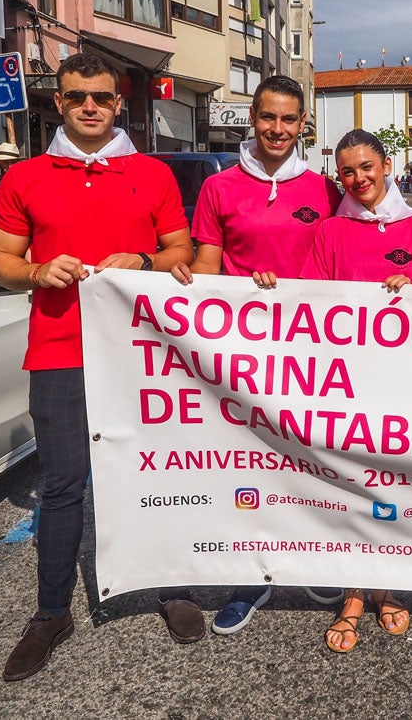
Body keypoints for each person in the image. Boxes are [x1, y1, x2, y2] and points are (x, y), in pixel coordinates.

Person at [0, 53, 195, 682]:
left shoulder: (153, 173)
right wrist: (35, 271)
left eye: (102, 98)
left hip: (143, 352)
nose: (90, 108)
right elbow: (0, 261)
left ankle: (171, 587)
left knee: (155, 470)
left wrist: (142, 258)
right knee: (63, 484)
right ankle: (52, 612)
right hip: (59, 349)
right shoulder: (23, 178)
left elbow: (181, 251)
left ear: (118, 102)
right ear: (59, 101)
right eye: (78, 97)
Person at [170, 74, 343, 635]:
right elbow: (209, 269)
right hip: (244, 356)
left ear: (302, 124)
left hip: (313, 348)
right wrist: (177, 282)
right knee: (250, 465)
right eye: (268, 117)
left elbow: (345, 261)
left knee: (313, 458)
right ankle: (253, 575)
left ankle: (315, 557)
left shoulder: (323, 189)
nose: (277, 129)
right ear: (253, 116)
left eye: (289, 120)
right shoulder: (221, 188)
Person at [299, 129, 412, 652]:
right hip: (346, 381)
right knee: (349, 484)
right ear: (337, 176)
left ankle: (389, 585)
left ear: (386, 165)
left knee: (395, 485)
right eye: (347, 171)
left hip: (404, 380)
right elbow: (311, 307)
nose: (359, 178)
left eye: (367, 167)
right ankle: (354, 594)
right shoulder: (328, 231)